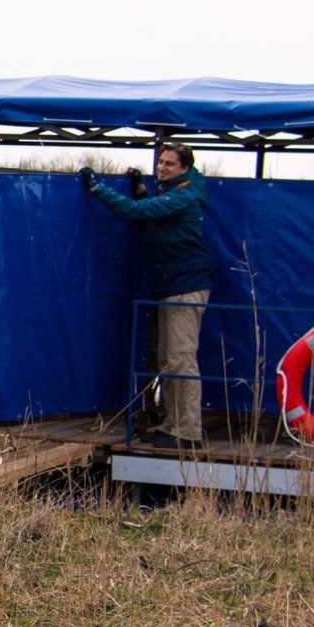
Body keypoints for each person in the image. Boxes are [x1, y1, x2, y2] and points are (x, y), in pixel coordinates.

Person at [80, 143, 212, 448]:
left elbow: (138, 212)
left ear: (184, 168)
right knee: (168, 358)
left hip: (185, 286)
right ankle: (172, 424)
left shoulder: (184, 195)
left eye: (169, 164)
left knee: (180, 359)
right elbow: (151, 213)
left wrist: (98, 189)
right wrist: (140, 186)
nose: (162, 168)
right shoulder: (173, 191)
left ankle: (187, 432)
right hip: (172, 286)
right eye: (160, 162)